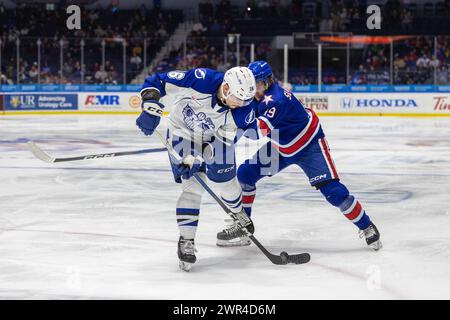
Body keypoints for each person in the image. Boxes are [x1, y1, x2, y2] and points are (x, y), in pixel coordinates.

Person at [216, 61, 382, 251]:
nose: (254, 89)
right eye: (252, 84)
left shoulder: (275, 99)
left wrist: (222, 138)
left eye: (258, 84)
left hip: (309, 145)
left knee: (334, 192)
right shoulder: (252, 95)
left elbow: (255, 131)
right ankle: (243, 227)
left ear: (268, 81)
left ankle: (367, 226)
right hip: (282, 145)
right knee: (245, 175)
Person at [136, 67, 257, 271]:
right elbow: (158, 81)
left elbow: (219, 146)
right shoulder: (201, 79)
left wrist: (199, 157)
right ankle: (186, 241)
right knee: (192, 187)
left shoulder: (244, 113)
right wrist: (150, 106)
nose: (243, 104)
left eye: (247, 99)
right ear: (226, 88)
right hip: (181, 133)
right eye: (239, 98)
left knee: (225, 182)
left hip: (215, 140)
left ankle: (239, 215)